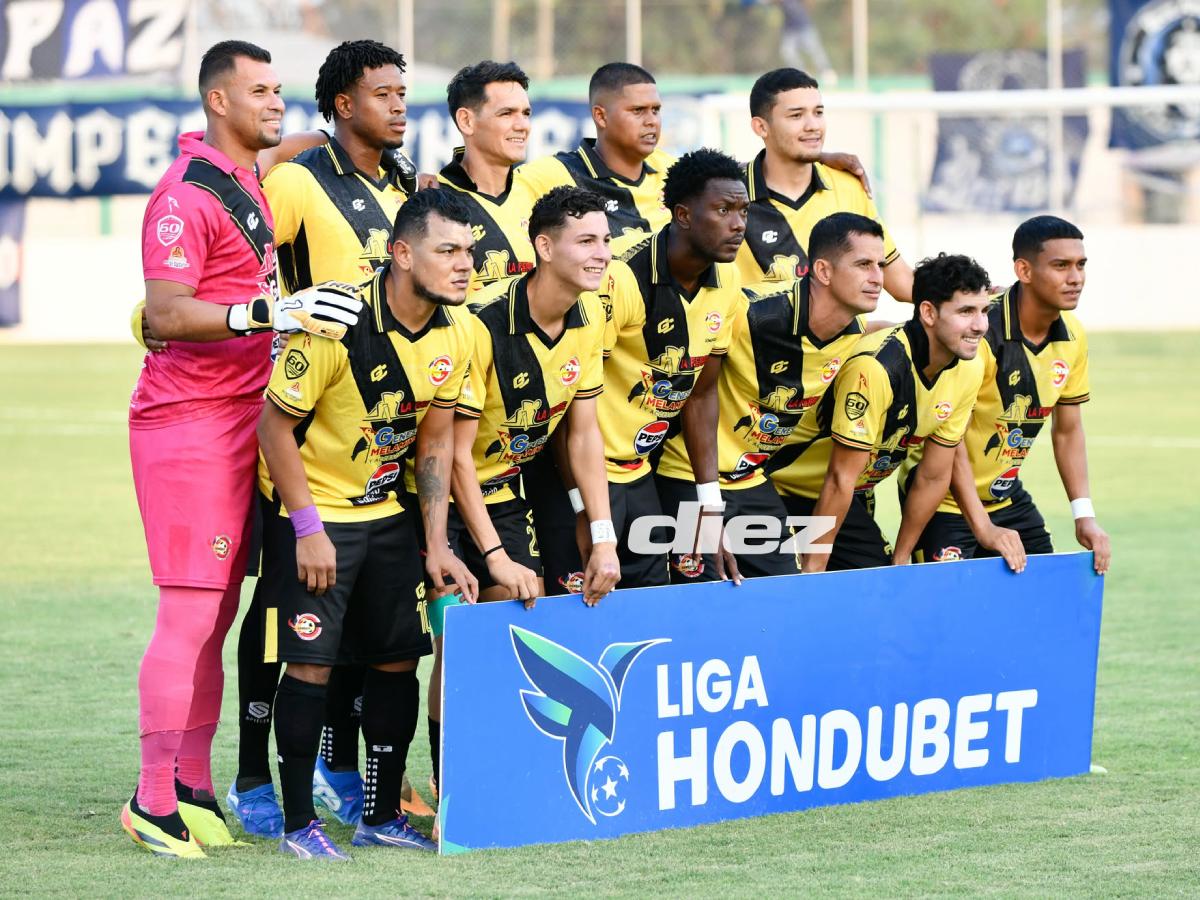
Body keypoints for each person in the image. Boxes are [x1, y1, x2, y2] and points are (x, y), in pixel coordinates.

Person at [122, 40, 364, 859]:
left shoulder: (246, 179)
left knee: (222, 615)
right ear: (217, 102)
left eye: (280, 88)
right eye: (259, 91)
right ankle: (150, 800)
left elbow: (304, 146)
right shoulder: (182, 196)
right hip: (187, 425)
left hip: (241, 423)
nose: (276, 102)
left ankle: (191, 786)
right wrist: (272, 315)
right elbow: (164, 312)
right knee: (189, 614)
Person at [226, 38, 429, 839]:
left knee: (368, 629)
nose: (399, 106)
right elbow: (238, 262)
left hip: (382, 443)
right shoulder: (301, 182)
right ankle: (251, 775)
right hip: (302, 434)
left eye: (403, 93)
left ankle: (344, 773)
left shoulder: (405, 187)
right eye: (383, 94)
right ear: (344, 104)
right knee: (283, 615)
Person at [258, 189, 478, 860]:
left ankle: (380, 815)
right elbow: (272, 429)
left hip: (387, 516)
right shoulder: (338, 322)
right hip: (316, 514)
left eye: (469, 250)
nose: (465, 264)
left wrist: (436, 545)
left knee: (397, 661)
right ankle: (300, 823)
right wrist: (307, 528)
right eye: (448, 251)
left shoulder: (459, 331)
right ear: (403, 254)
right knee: (310, 668)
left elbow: (435, 444)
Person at [420, 187, 623, 803]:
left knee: (514, 617)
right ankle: (447, 789)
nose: (602, 254)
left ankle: (496, 778)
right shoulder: (482, 326)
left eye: (606, 241)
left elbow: (584, 436)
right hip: (441, 502)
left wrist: (604, 536)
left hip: (503, 494)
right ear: (544, 246)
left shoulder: (588, 322)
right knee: (457, 641)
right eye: (586, 241)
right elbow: (454, 456)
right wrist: (493, 555)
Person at [654, 211, 881, 581]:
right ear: (823, 272)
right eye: (863, 265)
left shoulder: (853, 329)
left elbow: (890, 330)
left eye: (880, 265)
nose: (877, 278)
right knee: (703, 597)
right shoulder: (752, 317)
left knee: (785, 594)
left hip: (751, 480)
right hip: (687, 474)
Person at [577, 149, 748, 587]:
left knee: (653, 601)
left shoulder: (727, 280)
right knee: (584, 610)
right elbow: (572, 402)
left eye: (743, 211)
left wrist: (710, 507)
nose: (738, 225)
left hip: (640, 472)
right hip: (587, 475)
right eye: (723, 210)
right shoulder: (620, 279)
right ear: (684, 215)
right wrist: (584, 509)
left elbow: (703, 393)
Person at [908, 216, 1111, 575]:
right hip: (943, 500)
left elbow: (1067, 431)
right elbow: (949, 440)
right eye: (1061, 266)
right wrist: (983, 528)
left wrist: (1084, 516)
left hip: (1005, 496)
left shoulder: (1073, 337)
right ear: (1024, 270)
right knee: (944, 620)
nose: (1075, 277)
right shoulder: (979, 333)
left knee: (1044, 601)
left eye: (1081, 265)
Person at [769, 253, 990, 572]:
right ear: (928, 312)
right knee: (788, 590)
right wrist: (812, 571)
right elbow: (839, 478)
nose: (980, 325)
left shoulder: (969, 367)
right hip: (787, 487)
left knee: (879, 580)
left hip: (840, 496)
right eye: (966, 311)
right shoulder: (877, 368)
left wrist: (901, 557)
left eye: (984, 311)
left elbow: (933, 475)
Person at [736, 67, 912, 299]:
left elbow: (901, 281)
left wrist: (964, 298)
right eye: (796, 115)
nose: (813, 125)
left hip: (846, 337)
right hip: (755, 336)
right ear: (761, 127)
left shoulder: (848, 187)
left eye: (818, 113)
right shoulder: (729, 194)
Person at [438, 60, 537, 294]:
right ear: (467, 121)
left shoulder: (539, 190)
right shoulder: (433, 201)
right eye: (506, 113)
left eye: (526, 113)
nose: (522, 125)